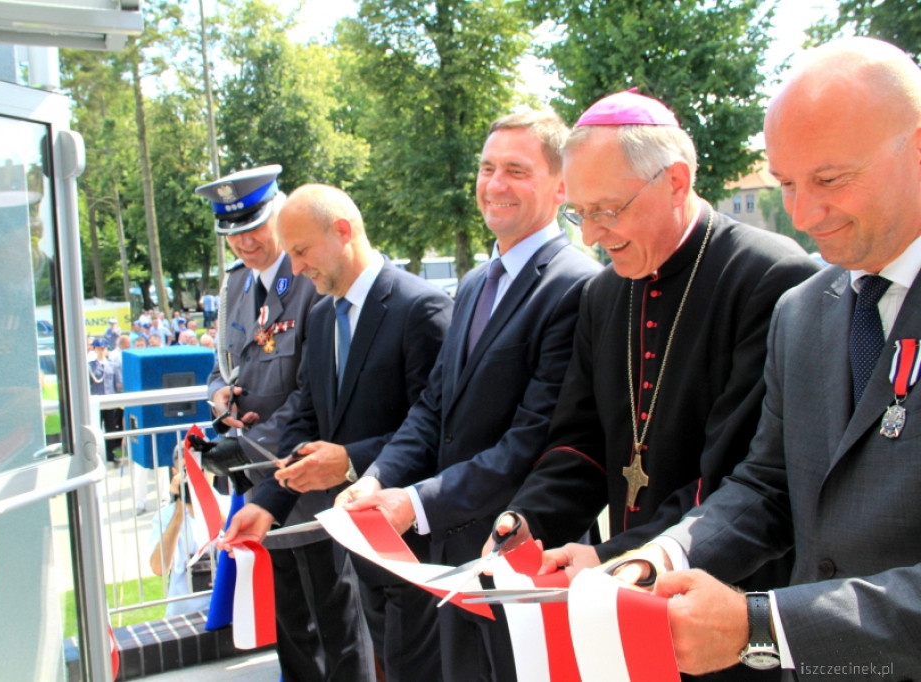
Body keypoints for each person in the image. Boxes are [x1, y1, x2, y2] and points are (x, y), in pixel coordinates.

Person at [598, 38, 921, 679]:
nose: (803, 215)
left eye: (829, 180)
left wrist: (764, 627)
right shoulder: (802, 311)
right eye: (788, 185)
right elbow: (767, 486)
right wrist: (660, 558)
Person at [483, 90, 819, 668]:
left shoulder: (771, 277)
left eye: (608, 211)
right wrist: (526, 521)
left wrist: (614, 555)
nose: (590, 235)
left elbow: (741, 475)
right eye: (580, 213)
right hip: (625, 595)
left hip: (726, 605)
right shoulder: (603, 291)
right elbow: (579, 443)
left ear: (676, 183)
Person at [339, 110, 602, 681]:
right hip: (455, 562)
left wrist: (415, 503)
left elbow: (532, 441)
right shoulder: (479, 281)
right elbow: (435, 407)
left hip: (525, 558)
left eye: (516, 170)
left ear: (560, 187)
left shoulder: (577, 286)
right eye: (487, 168)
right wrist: (378, 478)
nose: (495, 184)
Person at [220, 184, 453, 682]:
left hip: (417, 550)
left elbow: (436, 429)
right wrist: (265, 503)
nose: (297, 269)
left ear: (343, 231)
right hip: (362, 550)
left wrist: (348, 460)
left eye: (301, 252)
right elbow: (306, 413)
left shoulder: (421, 308)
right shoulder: (324, 316)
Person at [195, 167, 373, 682]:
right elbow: (221, 368)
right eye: (233, 233)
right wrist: (219, 399)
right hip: (259, 484)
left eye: (254, 226)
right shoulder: (234, 289)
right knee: (291, 623)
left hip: (310, 480)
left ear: (278, 214)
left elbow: (316, 389)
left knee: (338, 621)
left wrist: (258, 447)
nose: (245, 242)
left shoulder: (312, 281)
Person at [148, 455, 225, 617]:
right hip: (184, 615)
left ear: (212, 471)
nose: (195, 477)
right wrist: (179, 509)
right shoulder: (166, 516)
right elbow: (159, 568)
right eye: (188, 471)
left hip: (226, 609)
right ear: (175, 473)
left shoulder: (226, 505)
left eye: (201, 470)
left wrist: (207, 500)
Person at [88, 338, 123, 463]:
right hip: (97, 402)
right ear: (95, 349)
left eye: (103, 349)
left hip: (109, 402)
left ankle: (110, 454)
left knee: (111, 428)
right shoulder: (90, 366)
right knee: (96, 429)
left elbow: (117, 383)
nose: (101, 351)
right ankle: (96, 455)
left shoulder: (112, 365)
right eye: (98, 349)